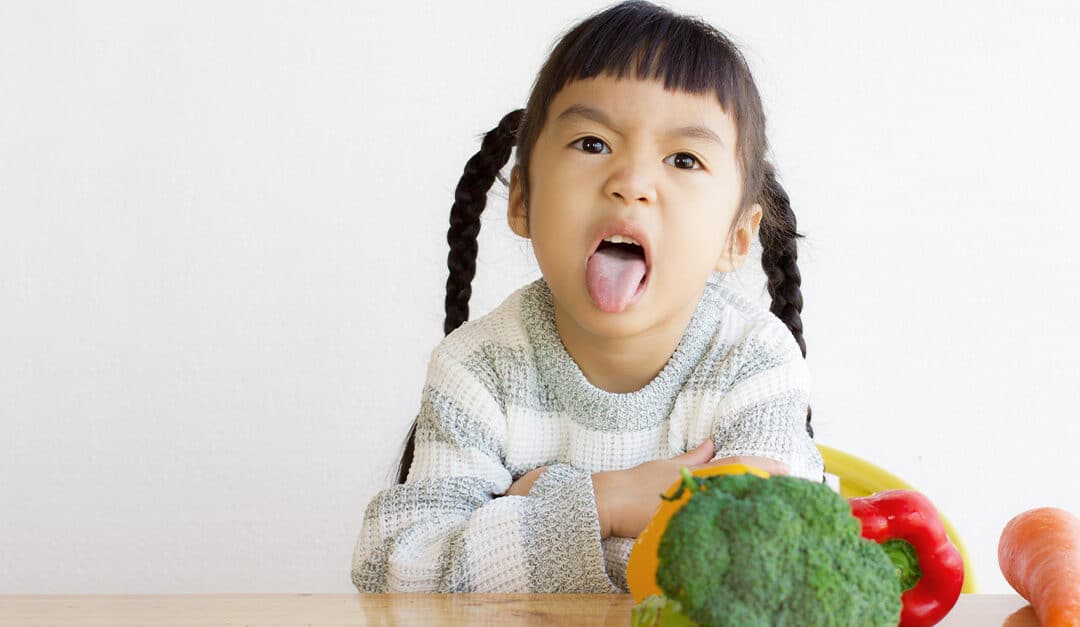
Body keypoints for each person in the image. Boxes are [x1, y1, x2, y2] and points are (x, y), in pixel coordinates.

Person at [352, 0, 824, 593]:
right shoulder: (478, 368)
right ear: (521, 199)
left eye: (684, 158)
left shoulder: (753, 361)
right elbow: (394, 570)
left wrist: (530, 504)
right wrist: (608, 503)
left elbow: (778, 558)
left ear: (735, 239)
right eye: (593, 143)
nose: (630, 182)